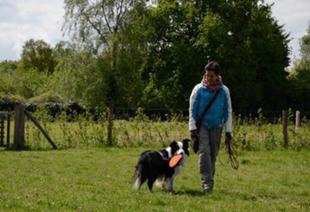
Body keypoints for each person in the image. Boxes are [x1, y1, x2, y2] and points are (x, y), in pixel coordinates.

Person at [189, 61, 232, 193]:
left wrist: (228, 131)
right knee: (204, 152)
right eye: (207, 75)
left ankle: (209, 181)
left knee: (212, 155)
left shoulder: (224, 91)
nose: (208, 78)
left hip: (217, 126)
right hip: (202, 126)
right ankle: (207, 184)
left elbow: (228, 111)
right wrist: (192, 129)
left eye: (211, 76)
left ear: (218, 76)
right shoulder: (198, 89)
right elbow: (192, 110)